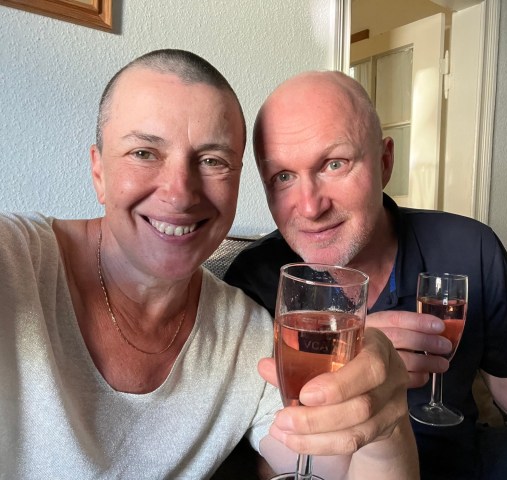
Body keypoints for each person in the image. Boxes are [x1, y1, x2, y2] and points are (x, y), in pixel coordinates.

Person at [0, 50, 420, 479]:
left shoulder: (250, 335)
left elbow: (334, 471)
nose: (180, 194)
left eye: (212, 161)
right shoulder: (16, 260)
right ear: (98, 173)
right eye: (144, 153)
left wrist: (385, 425)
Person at [224, 70, 507, 479]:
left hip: (470, 458)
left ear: (385, 161)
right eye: (282, 176)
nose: (310, 207)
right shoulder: (256, 280)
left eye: (334, 164)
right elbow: (257, 440)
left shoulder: (469, 247)